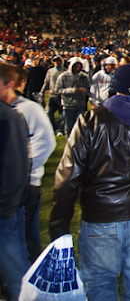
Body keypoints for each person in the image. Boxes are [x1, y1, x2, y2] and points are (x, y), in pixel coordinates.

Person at [49, 63, 130, 301]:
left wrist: (59, 225)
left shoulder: (90, 122)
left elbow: (68, 178)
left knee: (101, 283)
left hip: (104, 219)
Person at [0, 64, 55, 261]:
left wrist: (22, 168)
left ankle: (24, 283)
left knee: (22, 238)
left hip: (27, 184)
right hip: (8, 184)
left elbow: (47, 142)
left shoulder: (29, 109)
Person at [0, 77, 31, 301]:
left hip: (6, 205)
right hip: (9, 202)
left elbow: (19, 163)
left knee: (15, 267)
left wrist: (8, 202)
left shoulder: (9, 115)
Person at [55, 56, 91, 136]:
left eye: (79, 66)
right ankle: (70, 145)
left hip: (80, 105)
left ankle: (80, 145)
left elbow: (89, 89)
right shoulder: (63, 76)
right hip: (68, 105)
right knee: (69, 128)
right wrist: (72, 90)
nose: (77, 68)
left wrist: (83, 90)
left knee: (81, 128)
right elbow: (58, 89)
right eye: (75, 66)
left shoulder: (84, 77)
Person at [41, 55, 65, 135]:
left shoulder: (65, 71)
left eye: (58, 61)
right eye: (55, 61)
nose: (56, 62)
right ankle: (54, 127)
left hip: (62, 95)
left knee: (62, 114)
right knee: (49, 112)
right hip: (52, 95)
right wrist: (42, 91)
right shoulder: (50, 71)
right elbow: (46, 82)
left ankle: (60, 129)